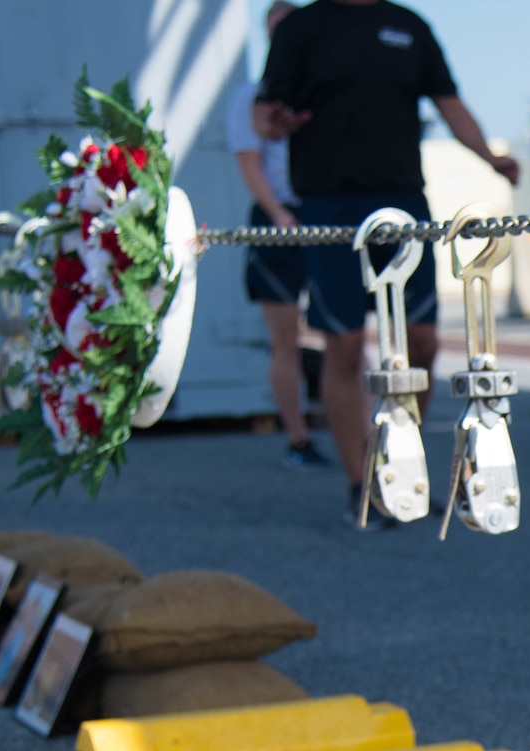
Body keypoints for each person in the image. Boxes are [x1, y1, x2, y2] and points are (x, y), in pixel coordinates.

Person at [255, 0, 520, 526]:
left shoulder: (409, 26)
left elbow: (449, 102)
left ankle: (400, 466)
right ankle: (361, 482)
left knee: (422, 342)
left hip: (402, 202)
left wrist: (489, 157)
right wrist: (276, 123)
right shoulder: (302, 28)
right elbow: (264, 117)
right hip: (329, 205)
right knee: (346, 346)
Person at [226, 2, 332, 473]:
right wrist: (277, 215)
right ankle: (298, 437)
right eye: (276, 32)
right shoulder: (252, 96)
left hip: (325, 214)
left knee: (344, 334)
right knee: (285, 339)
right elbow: (249, 162)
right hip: (278, 221)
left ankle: (360, 431)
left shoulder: (323, 92)